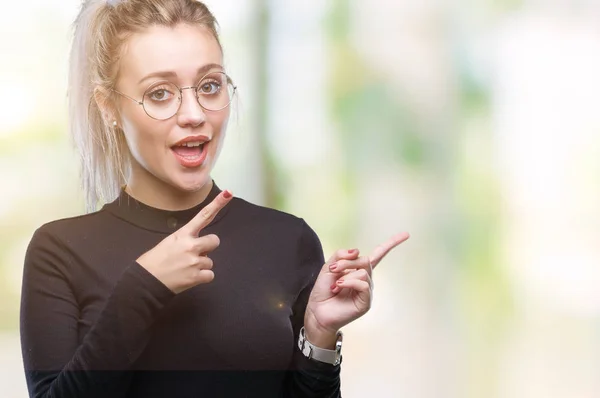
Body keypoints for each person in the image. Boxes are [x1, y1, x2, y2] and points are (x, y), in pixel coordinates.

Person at [19, 0, 409, 397]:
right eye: (159, 93)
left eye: (209, 86)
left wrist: (320, 334)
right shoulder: (59, 252)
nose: (193, 114)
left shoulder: (287, 240)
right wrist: (143, 288)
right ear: (109, 108)